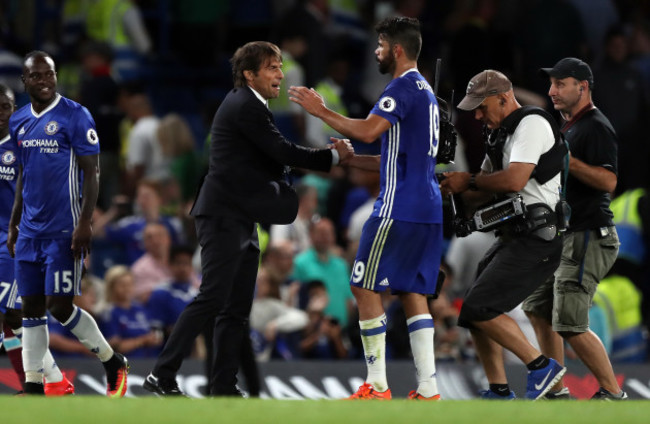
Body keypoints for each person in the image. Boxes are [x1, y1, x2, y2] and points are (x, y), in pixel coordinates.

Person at [142, 41, 352, 397]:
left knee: (236, 309)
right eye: (272, 67)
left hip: (242, 218)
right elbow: (282, 150)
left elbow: (273, 160)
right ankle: (162, 374)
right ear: (249, 74)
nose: (280, 75)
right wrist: (331, 157)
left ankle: (223, 385)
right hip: (223, 216)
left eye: (280, 67)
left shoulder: (253, 109)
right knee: (212, 297)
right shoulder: (244, 105)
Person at [290, 17, 444, 400]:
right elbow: (396, 158)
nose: (375, 51)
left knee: (362, 284)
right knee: (412, 291)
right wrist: (351, 160)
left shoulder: (402, 87)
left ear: (396, 49)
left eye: (380, 45)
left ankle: (377, 385)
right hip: (427, 206)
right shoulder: (426, 92)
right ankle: (428, 388)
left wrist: (321, 110)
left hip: (398, 206)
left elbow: (369, 130)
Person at [7, 51, 128, 396]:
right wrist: (15, 224)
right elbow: (23, 177)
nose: (45, 81)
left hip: (64, 228)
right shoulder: (18, 120)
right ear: (25, 81)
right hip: (30, 230)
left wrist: (85, 221)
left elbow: (93, 171)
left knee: (59, 306)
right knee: (30, 306)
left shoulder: (75, 115)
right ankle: (33, 384)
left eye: (50, 75)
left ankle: (110, 360)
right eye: (38, 76)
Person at [439, 69, 566, 400]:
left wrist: (467, 181)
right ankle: (498, 389)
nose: (478, 115)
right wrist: (443, 180)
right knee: (473, 311)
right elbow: (481, 188)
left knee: (481, 308)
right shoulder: (499, 136)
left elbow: (513, 181)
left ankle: (541, 367)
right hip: (515, 235)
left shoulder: (532, 123)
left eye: (482, 107)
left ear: (503, 98)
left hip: (538, 236)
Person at [522, 57, 628, 400]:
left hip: (589, 236)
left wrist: (569, 160)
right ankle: (554, 390)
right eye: (551, 84)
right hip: (566, 236)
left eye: (560, 83)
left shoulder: (595, 126)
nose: (552, 90)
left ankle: (613, 393)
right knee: (536, 307)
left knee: (569, 322)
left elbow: (609, 181)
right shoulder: (568, 125)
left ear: (582, 87)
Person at [0, 82, 75, 396]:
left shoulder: (23, 144)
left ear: (13, 108)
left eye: (4, 107)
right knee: (12, 320)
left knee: (12, 314)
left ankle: (49, 383)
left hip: (13, 242)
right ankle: (54, 382)